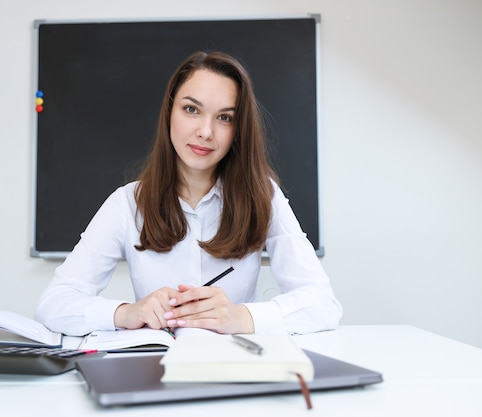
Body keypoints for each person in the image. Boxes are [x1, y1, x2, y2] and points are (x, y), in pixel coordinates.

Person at [35, 51, 342, 336]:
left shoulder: (263, 195)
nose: (206, 132)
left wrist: (241, 317)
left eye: (225, 117)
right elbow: (54, 304)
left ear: (238, 129)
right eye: (191, 109)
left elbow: (323, 304)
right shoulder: (127, 204)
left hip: (237, 367)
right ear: (170, 112)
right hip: (154, 370)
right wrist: (126, 312)